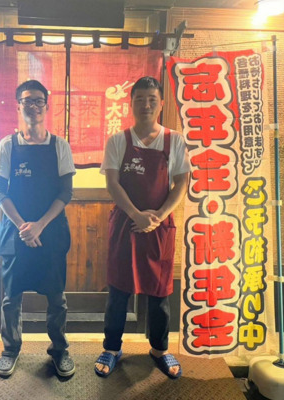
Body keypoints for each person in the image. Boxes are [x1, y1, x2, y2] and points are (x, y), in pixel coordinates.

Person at [94, 76, 190, 379]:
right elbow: (112, 183)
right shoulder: (118, 141)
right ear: (131, 103)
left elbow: (181, 183)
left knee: (160, 292)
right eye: (140, 99)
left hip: (159, 227)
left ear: (161, 104)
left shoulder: (174, 140)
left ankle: (159, 349)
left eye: (152, 99)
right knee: (118, 291)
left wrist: (158, 216)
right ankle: (111, 348)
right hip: (126, 224)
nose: (146, 104)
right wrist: (136, 214)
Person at [0, 80, 76, 378]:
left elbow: (66, 192)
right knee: (11, 297)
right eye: (27, 100)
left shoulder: (59, 146)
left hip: (51, 231)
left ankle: (59, 350)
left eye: (38, 100)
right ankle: (10, 350)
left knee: (56, 297)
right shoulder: (7, 145)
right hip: (16, 233)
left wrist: (39, 225)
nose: (33, 106)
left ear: (46, 106)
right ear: (18, 106)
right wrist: (23, 226)